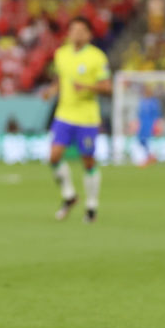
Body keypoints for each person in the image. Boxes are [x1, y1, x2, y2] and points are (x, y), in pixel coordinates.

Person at [42, 16, 111, 222]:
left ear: (89, 34)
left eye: (81, 30)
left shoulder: (97, 57)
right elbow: (62, 79)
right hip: (64, 114)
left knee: (88, 161)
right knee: (54, 157)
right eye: (73, 30)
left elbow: (108, 87)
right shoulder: (61, 54)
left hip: (87, 118)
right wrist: (52, 90)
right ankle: (70, 196)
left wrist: (87, 87)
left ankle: (91, 206)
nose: (76, 34)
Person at [135, 84, 161, 166]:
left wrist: (157, 125)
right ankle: (150, 156)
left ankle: (149, 157)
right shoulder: (142, 101)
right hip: (142, 123)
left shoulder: (154, 102)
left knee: (147, 140)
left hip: (150, 124)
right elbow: (139, 114)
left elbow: (156, 115)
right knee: (141, 140)